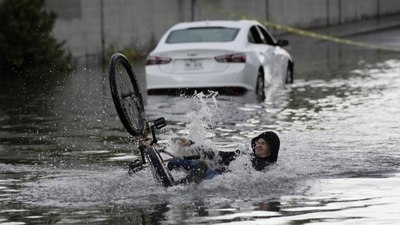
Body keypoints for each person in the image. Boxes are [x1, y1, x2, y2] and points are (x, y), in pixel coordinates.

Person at [167, 131, 280, 185]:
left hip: (217, 178)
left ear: (271, 149)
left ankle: (174, 185)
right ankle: (170, 173)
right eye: (258, 142)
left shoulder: (269, 169)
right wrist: (191, 143)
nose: (258, 145)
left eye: (263, 143)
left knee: (203, 170)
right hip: (214, 171)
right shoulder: (242, 155)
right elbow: (217, 154)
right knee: (175, 162)